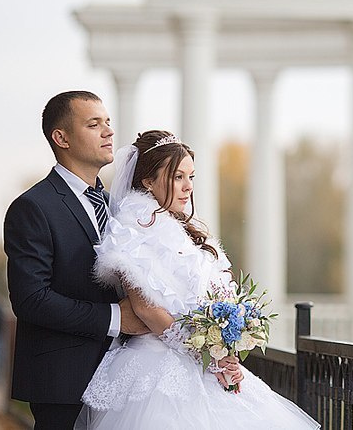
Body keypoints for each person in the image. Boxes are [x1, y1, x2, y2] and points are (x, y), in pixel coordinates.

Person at [75, 130, 319, 429]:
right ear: (147, 181)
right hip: (157, 366)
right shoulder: (130, 231)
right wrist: (204, 352)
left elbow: (219, 297)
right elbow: (146, 309)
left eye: (192, 177)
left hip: (206, 363)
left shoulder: (191, 232)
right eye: (178, 177)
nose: (188, 187)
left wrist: (225, 351)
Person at [4, 91, 149, 429]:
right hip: (64, 384)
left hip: (126, 380)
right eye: (94, 124)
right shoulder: (33, 207)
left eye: (108, 123)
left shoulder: (119, 208)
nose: (109, 132)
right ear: (62, 137)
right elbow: (30, 300)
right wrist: (116, 318)